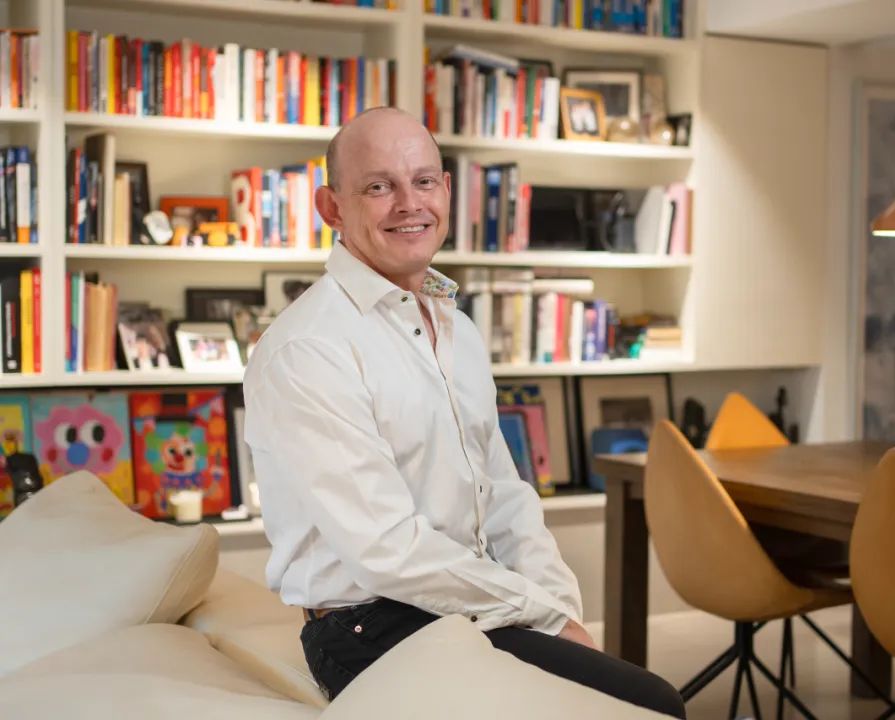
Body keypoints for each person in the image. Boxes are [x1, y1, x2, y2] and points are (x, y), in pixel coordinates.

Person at [242, 107, 686, 719]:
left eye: (423, 181)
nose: (409, 204)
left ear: (447, 191)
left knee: (639, 699)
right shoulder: (308, 348)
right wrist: (540, 614)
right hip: (368, 631)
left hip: (462, 603)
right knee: (650, 704)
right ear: (331, 207)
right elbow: (387, 550)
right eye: (379, 186)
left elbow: (503, 492)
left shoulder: (457, 327)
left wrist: (559, 608)